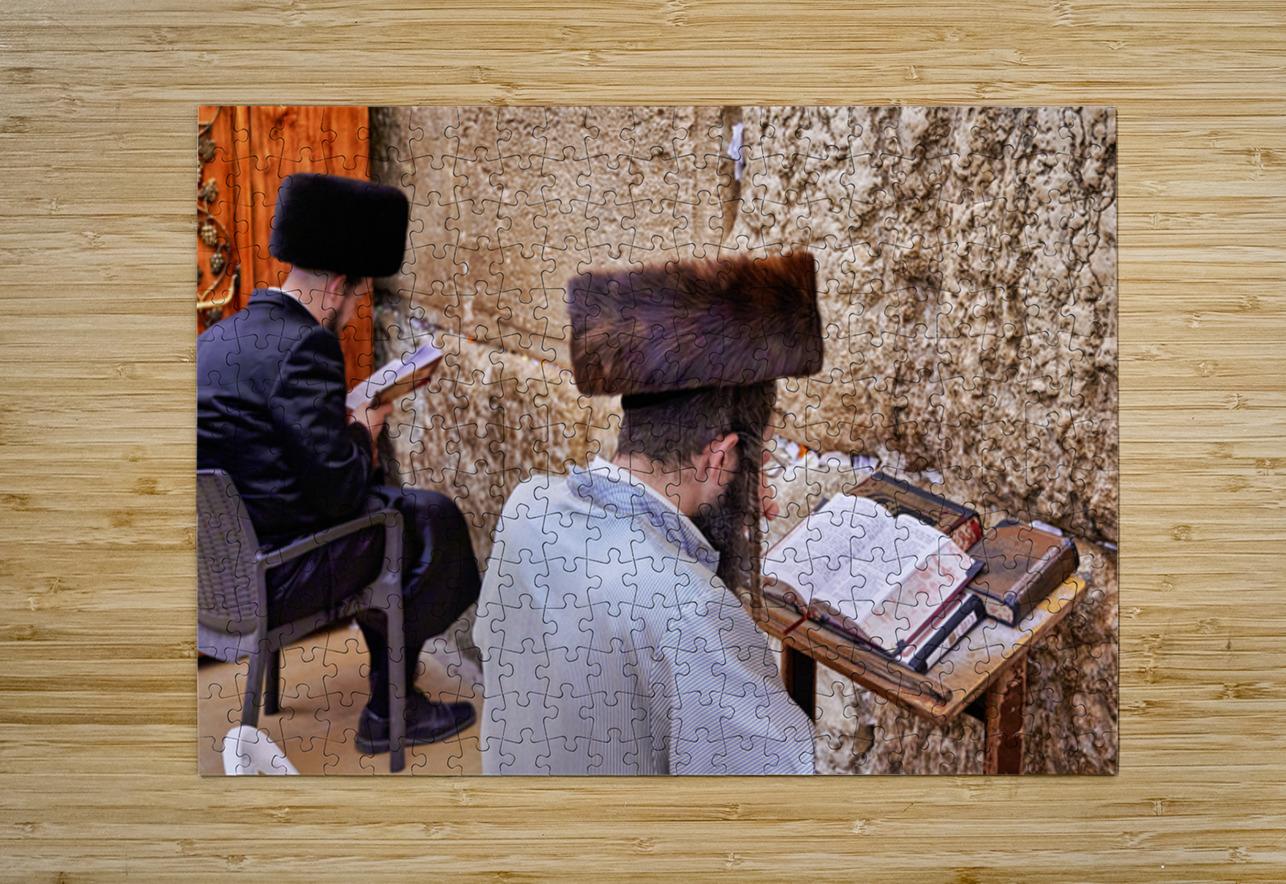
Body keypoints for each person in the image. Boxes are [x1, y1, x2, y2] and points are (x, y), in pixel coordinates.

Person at [474, 252, 824, 774]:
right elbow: (768, 809)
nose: (764, 485)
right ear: (720, 456)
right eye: (759, 460)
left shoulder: (527, 507)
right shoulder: (691, 608)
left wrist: (724, 518)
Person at [197, 172, 481, 755]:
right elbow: (342, 495)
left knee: (405, 515)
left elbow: (271, 455)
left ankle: (391, 684)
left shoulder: (216, 339)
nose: (352, 315)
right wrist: (368, 424)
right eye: (357, 299)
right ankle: (389, 709)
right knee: (430, 519)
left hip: (217, 579)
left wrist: (344, 423)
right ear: (337, 287)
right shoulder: (308, 346)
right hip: (280, 574)